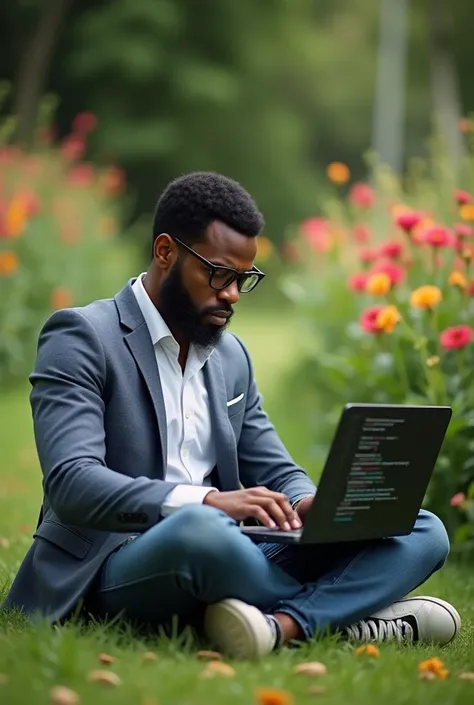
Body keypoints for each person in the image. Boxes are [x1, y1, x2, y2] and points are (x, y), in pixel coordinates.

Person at [3, 172, 460, 659]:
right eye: (219, 274)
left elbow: (276, 467)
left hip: (231, 550)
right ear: (165, 252)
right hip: (116, 562)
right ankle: (350, 614)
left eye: (244, 279)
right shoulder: (82, 337)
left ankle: (282, 626)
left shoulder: (230, 356)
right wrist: (206, 500)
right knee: (200, 532)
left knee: (422, 528)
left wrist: (309, 505)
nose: (233, 295)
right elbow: (73, 484)